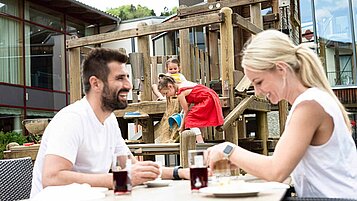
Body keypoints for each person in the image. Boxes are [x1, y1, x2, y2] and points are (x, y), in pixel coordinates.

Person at [206, 29, 357, 198]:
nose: (257, 92)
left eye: (259, 82)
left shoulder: (309, 106)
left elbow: (276, 172)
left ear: (281, 69)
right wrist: (242, 161)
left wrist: (228, 149)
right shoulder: (314, 100)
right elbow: (285, 169)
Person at [30, 48, 189, 198]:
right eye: (120, 78)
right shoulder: (72, 119)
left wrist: (179, 172)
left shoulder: (109, 121)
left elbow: (134, 168)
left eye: (127, 77)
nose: (128, 85)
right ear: (96, 83)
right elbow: (51, 178)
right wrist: (119, 179)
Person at [158, 76, 224, 143]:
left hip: (207, 99)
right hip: (210, 96)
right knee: (197, 119)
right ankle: (201, 140)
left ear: (170, 86)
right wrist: (182, 112)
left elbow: (186, 110)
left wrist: (182, 127)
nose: (167, 96)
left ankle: (200, 143)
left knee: (190, 120)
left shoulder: (180, 93)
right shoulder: (183, 84)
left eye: (166, 93)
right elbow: (189, 101)